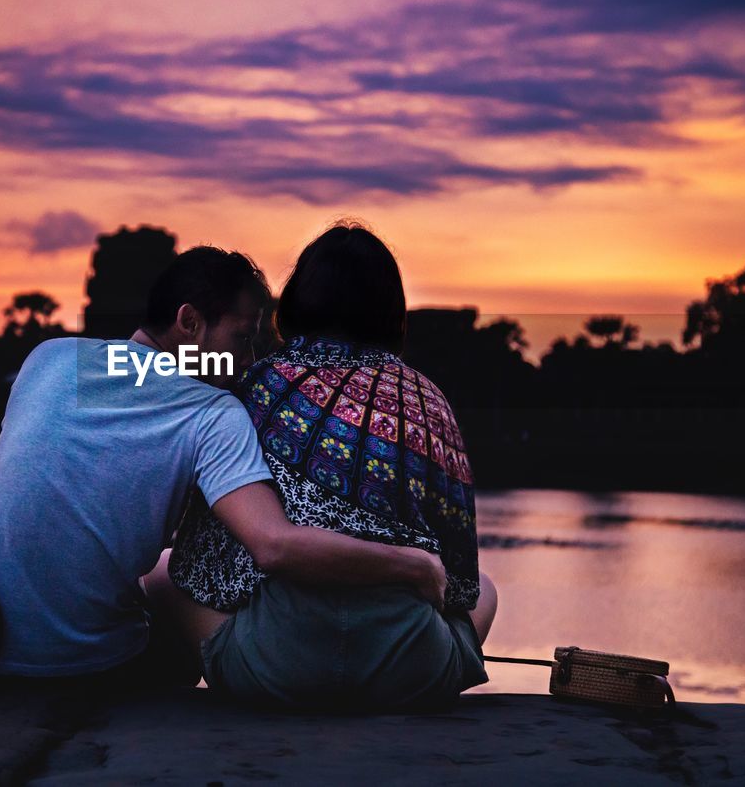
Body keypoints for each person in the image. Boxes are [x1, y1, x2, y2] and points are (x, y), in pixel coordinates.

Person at [0, 245, 447, 689]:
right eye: (242, 336)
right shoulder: (211, 412)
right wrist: (412, 565)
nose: (248, 359)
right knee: (171, 577)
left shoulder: (49, 360)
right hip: (88, 672)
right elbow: (274, 544)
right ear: (189, 321)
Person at [154, 223, 498, 711]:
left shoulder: (254, 387)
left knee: (165, 573)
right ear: (391, 310)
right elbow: (458, 584)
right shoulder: (430, 401)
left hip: (271, 666)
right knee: (487, 591)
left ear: (296, 301)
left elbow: (202, 561)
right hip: (408, 669)